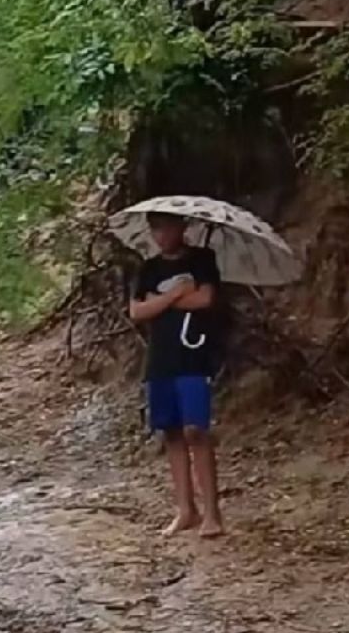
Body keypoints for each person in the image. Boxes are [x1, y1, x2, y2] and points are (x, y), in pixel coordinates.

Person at [128, 212, 225, 539]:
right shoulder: (149, 268)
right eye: (155, 228)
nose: (161, 235)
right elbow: (137, 311)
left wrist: (163, 301)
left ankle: (212, 512)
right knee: (171, 432)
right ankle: (185, 509)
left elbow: (205, 298)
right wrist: (174, 296)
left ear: (182, 228)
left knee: (196, 429)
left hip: (194, 353)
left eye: (167, 227)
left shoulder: (202, 259)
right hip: (161, 358)